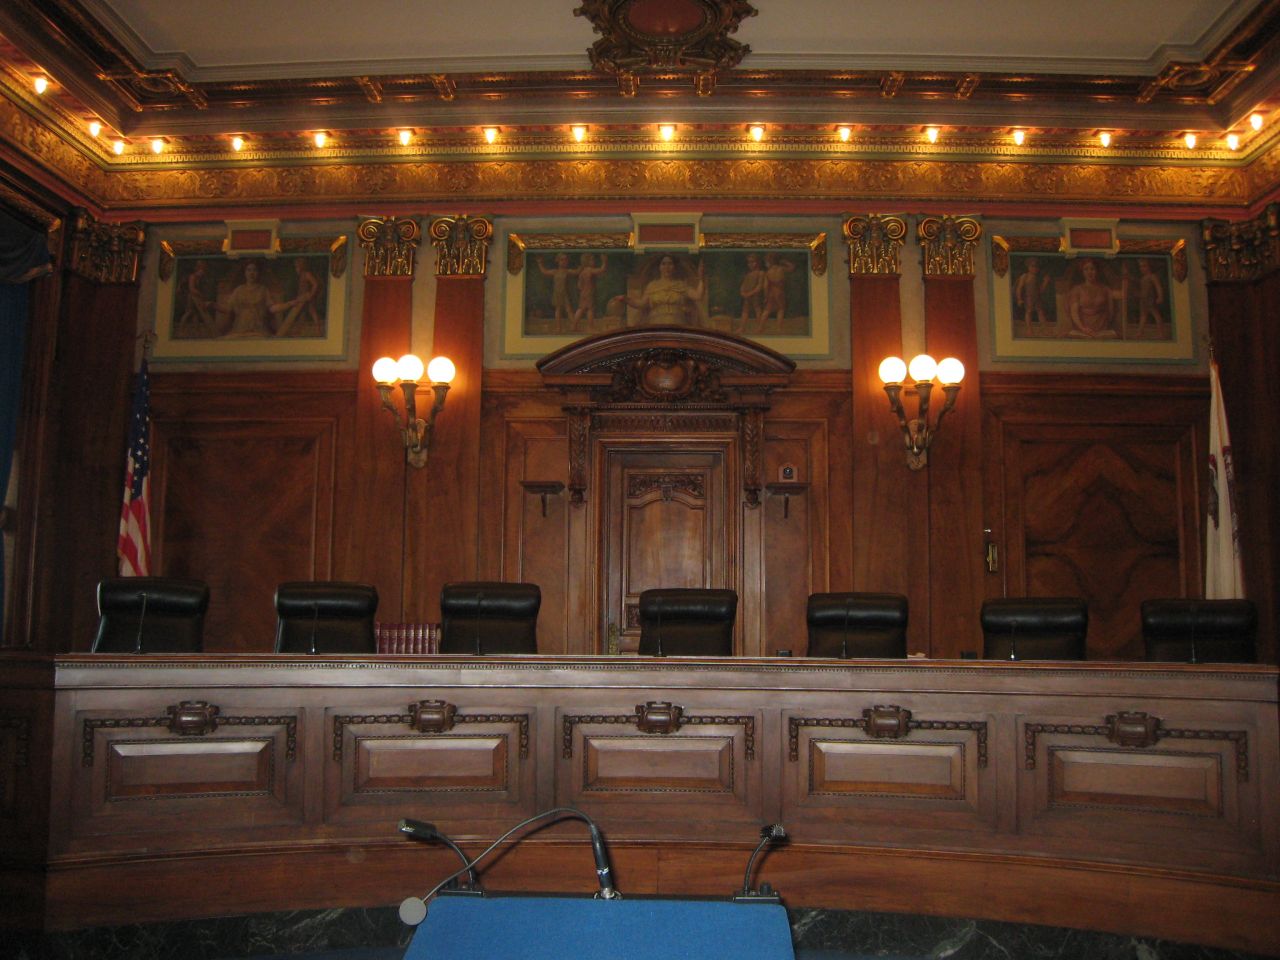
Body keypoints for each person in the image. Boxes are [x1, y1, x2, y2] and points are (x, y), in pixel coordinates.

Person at [613, 254, 705, 326]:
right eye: (663, 264)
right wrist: (625, 299)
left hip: (678, 324)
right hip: (656, 324)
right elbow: (641, 304)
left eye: (670, 264)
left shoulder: (681, 285)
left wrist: (701, 279)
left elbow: (698, 295)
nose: (667, 267)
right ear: (659, 267)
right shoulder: (652, 286)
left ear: (674, 267)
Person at [222, 260, 282, 338]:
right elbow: (228, 309)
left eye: (254, 270)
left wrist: (290, 304)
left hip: (259, 329)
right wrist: (212, 304)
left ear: (258, 273)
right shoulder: (238, 290)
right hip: (240, 329)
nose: (251, 273)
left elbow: (272, 308)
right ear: (245, 273)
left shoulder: (263, 290)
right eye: (249, 270)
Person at [1065, 258, 1117, 338]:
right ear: (1082, 272)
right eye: (1086, 269)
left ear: (1097, 271)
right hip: (1082, 328)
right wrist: (1083, 328)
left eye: (1092, 269)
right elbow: (1074, 312)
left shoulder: (1105, 289)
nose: (1089, 272)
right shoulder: (1077, 289)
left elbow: (1111, 312)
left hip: (1102, 327)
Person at [275, 258, 322, 337]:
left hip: (306, 296)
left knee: (312, 311)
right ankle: (299, 330)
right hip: (302, 297)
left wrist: (311, 294)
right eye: (296, 267)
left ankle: (318, 330)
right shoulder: (301, 275)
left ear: (301, 266)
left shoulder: (307, 274)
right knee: (302, 312)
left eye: (297, 266)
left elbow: (315, 284)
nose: (296, 269)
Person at [537, 252, 579, 324]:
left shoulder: (567, 271)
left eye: (565, 260)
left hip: (564, 293)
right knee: (558, 310)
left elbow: (576, 272)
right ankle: (558, 327)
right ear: (558, 261)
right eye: (562, 260)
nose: (564, 262)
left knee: (569, 310)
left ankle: (574, 326)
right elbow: (544, 271)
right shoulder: (555, 271)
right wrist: (540, 263)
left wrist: (582, 267)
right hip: (557, 293)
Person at [176, 260, 214, 337]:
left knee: (195, 314)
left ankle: (196, 331)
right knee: (189, 312)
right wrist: (200, 295)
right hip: (191, 297)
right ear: (199, 270)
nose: (203, 273)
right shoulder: (192, 277)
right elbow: (192, 289)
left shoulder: (198, 278)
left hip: (195, 297)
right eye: (202, 271)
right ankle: (180, 330)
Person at [572, 253, 608, 331]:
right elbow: (602, 270)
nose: (594, 261)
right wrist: (604, 261)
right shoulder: (590, 270)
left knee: (581, 309)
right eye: (592, 260)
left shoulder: (582, 272)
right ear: (587, 262)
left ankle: (574, 326)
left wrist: (583, 290)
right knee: (590, 309)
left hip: (583, 293)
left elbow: (579, 285)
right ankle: (590, 327)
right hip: (589, 293)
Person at [1014, 257, 1051, 329]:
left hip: (1037, 298)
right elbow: (1019, 288)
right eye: (1033, 266)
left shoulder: (1037, 278)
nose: (1035, 269)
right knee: (1029, 312)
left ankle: (1045, 328)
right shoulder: (1025, 276)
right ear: (1028, 267)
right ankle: (1029, 329)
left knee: (1040, 312)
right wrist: (1019, 299)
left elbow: (1040, 290)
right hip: (1028, 297)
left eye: (1037, 267)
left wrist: (1045, 282)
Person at [761, 252, 795, 326]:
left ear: (770, 262)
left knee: (767, 310)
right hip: (780, 292)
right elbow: (792, 268)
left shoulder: (768, 272)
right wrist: (785, 262)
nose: (765, 264)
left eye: (766, 262)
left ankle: (760, 327)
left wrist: (766, 297)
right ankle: (779, 327)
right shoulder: (782, 269)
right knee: (781, 309)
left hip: (771, 293)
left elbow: (765, 286)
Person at [1136, 259, 1165, 337]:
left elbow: (1158, 287)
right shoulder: (1143, 278)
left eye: (1144, 266)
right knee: (1143, 316)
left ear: (1149, 267)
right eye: (1141, 267)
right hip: (1143, 300)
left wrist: (1160, 296)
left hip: (1150, 300)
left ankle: (1161, 333)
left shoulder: (1152, 276)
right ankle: (1140, 332)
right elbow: (1143, 290)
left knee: (1156, 315)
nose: (1142, 268)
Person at [738, 253, 766, 332]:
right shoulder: (748, 274)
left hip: (755, 295)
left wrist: (751, 293)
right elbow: (743, 284)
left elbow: (759, 286)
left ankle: (760, 327)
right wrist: (742, 292)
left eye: (753, 262)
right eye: (749, 262)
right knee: (745, 311)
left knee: (757, 310)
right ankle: (742, 328)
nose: (750, 264)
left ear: (758, 262)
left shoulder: (761, 273)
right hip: (747, 296)